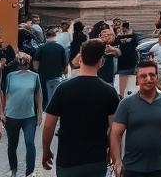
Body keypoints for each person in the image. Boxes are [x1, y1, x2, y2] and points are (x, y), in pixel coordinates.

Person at [43, 39, 120, 177]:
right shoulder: (109, 92)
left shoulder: (63, 89)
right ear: (101, 61)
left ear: (80, 59)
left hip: (67, 161)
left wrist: (46, 150)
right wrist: (113, 153)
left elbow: (49, 125)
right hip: (96, 161)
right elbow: (114, 130)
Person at [110, 60, 161, 177]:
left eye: (152, 75)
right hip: (132, 167)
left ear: (157, 77)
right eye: (143, 76)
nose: (148, 79)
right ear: (137, 79)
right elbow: (115, 134)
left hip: (160, 167)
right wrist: (117, 161)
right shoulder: (126, 104)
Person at [0, 53, 42, 177]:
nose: (23, 63)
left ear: (28, 63)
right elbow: (2, 95)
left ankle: (30, 171)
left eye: (25, 61)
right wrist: (1, 113)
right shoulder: (10, 76)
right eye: (21, 61)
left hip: (29, 116)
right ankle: (13, 169)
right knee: (12, 144)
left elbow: (37, 95)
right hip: (11, 116)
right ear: (18, 62)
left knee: (30, 142)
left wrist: (39, 113)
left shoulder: (35, 77)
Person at [33, 28, 68, 109]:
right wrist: (64, 74)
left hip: (43, 76)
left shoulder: (41, 47)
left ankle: (42, 113)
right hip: (57, 76)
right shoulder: (60, 48)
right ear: (55, 36)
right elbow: (65, 66)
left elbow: (35, 64)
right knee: (55, 97)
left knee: (43, 97)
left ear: (46, 36)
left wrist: (38, 71)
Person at [115, 22, 140, 98]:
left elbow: (116, 44)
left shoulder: (119, 35)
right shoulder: (133, 35)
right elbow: (136, 44)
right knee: (132, 83)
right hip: (131, 59)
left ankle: (122, 97)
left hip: (123, 61)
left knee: (123, 83)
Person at [96, 27, 121, 92]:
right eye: (104, 35)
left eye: (110, 35)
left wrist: (112, 49)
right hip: (98, 76)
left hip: (109, 77)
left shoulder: (113, 46)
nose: (107, 37)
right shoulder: (97, 45)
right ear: (100, 36)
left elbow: (118, 53)